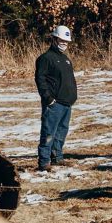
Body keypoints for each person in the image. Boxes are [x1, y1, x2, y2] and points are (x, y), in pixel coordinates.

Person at [35, 25, 77, 172]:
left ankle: (57, 157)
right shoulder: (46, 58)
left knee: (61, 132)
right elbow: (40, 80)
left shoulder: (65, 60)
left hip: (67, 103)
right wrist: (48, 98)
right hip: (54, 104)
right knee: (48, 132)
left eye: (66, 41)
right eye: (61, 40)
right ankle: (44, 162)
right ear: (53, 39)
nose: (64, 43)